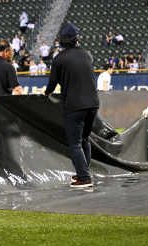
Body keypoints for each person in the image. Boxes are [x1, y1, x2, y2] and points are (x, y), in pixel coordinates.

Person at [43, 24, 99, 188]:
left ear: (61, 40)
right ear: (77, 38)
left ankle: (84, 178)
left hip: (75, 105)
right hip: (93, 104)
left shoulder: (58, 59)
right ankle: (83, 172)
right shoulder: (87, 55)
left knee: (74, 143)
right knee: (84, 140)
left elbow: (52, 83)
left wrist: (46, 93)